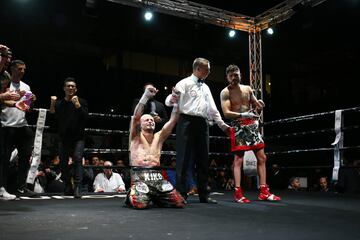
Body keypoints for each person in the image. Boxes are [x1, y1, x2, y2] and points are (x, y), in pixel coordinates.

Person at [170, 57, 230, 204]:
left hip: (202, 123)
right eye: (207, 69)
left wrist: (222, 125)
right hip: (186, 121)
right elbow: (171, 99)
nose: (209, 71)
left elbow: (213, 109)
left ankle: (204, 194)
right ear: (198, 68)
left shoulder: (206, 87)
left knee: (203, 159)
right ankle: (181, 193)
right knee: (183, 158)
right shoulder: (183, 83)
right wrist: (171, 98)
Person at [220, 64, 281, 203]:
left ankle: (264, 191)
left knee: (262, 157)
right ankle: (238, 193)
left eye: (237, 74)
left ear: (240, 74)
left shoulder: (248, 88)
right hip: (239, 126)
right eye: (231, 75)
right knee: (238, 160)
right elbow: (226, 113)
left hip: (252, 126)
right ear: (227, 77)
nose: (235, 77)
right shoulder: (225, 92)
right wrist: (242, 114)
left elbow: (255, 105)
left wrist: (259, 104)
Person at [126, 85, 185, 209]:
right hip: (139, 175)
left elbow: (173, 120)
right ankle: (133, 194)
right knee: (140, 205)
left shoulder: (159, 137)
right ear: (140, 125)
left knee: (180, 203)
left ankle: (157, 197)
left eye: (152, 120)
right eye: (146, 120)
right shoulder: (135, 137)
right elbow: (136, 117)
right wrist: (146, 96)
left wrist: (177, 101)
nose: (150, 121)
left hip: (157, 176)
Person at [1, 59, 37, 198]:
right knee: (4, 159)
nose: (22, 71)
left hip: (22, 125)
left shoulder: (26, 86)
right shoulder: (4, 84)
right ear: (12, 69)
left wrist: (32, 101)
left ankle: (21, 187)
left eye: (24, 69)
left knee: (26, 156)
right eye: (20, 69)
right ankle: (2, 187)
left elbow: (28, 108)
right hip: (6, 125)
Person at [49, 77, 88, 198]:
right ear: (64, 88)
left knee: (77, 158)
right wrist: (52, 104)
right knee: (63, 162)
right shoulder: (59, 103)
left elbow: (86, 117)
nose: (70, 88)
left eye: (72, 86)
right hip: (63, 137)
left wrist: (77, 105)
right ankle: (68, 185)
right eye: (68, 86)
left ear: (75, 89)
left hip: (78, 137)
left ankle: (77, 187)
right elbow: (53, 118)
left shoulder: (82, 101)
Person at [0, 44, 20, 200]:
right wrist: (4, 97)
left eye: (6, 57)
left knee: (2, 155)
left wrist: (16, 103)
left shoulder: (6, 76)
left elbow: (4, 98)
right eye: (2, 56)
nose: (4, 59)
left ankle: (1, 188)